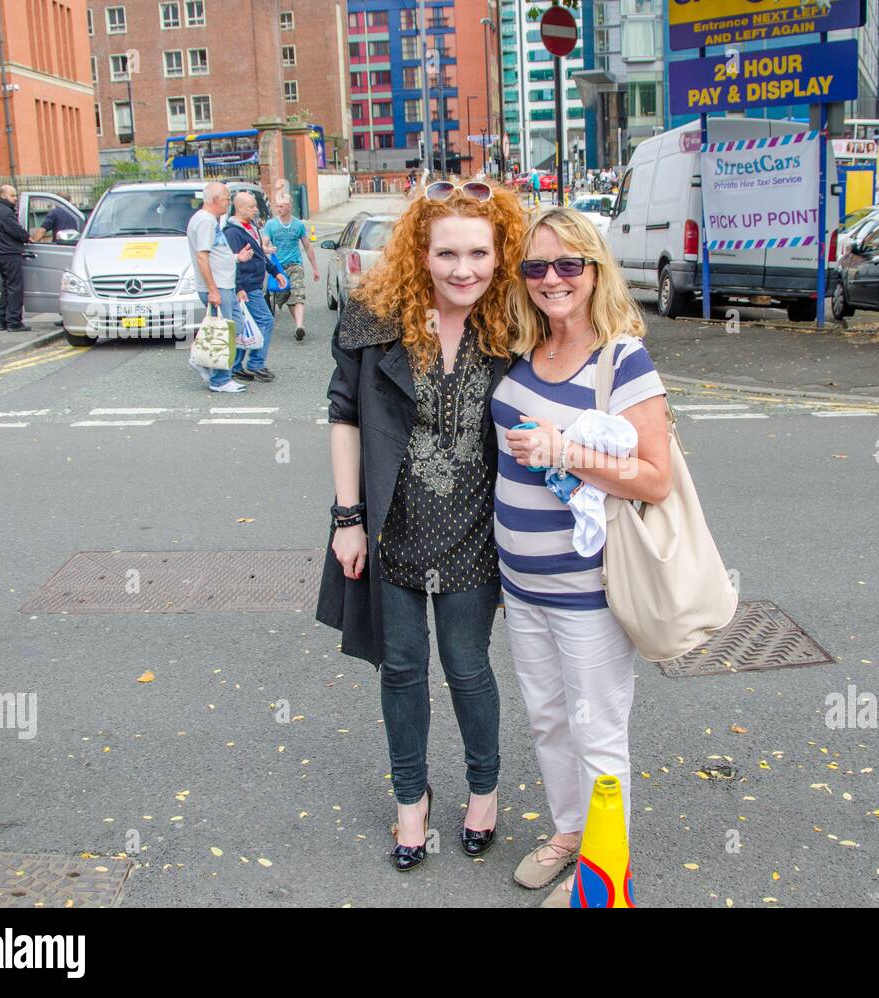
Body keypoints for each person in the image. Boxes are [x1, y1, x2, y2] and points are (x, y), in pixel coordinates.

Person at [316, 179, 528, 873]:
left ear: (500, 255)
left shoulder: (514, 321)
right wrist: (347, 518)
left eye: (477, 253)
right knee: (401, 667)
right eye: (446, 254)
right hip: (392, 526)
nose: (462, 269)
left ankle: (485, 790)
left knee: (468, 668)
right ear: (421, 253)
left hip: (475, 529)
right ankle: (412, 802)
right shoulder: (376, 316)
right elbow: (343, 415)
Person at [497, 207, 672, 907]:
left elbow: (655, 477)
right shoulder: (522, 347)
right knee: (546, 717)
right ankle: (571, 835)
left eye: (569, 264)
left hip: (587, 588)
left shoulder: (621, 357)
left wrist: (564, 450)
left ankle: (603, 882)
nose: (552, 279)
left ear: (595, 271)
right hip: (520, 582)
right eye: (537, 267)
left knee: (598, 728)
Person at [186, 181, 250, 393]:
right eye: (226, 199)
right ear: (215, 200)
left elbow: (215, 253)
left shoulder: (209, 220)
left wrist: (236, 258)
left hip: (224, 284)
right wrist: (213, 289)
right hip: (218, 286)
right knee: (225, 332)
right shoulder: (205, 221)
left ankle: (205, 363)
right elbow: (203, 256)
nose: (228, 203)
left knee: (234, 327)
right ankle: (220, 379)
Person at [224, 191, 286, 382]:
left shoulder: (250, 227)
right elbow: (232, 263)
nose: (256, 210)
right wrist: (239, 287)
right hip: (248, 286)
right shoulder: (233, 232)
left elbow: (258, 254)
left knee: (245, 326)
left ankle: (236, 365)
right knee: (265, 321)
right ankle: (256, 364)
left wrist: (275, 271)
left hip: (254, 284)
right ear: (240, 207)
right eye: (251, 206)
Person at [262, 195, 320, 342]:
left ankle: (300, 326)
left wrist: (315, 268)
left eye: (281, 206)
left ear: (289, 207)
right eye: (277, 206)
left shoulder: (298, 225)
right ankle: (298, 325)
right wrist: (268, 249)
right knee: (286, 297)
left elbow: (307, 246)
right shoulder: (271, 224)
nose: (278, 209)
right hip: (278, 268)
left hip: (295, 265)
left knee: (298, 294)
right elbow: (262, 245)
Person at [0, 185, 31, 332]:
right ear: (3, 195)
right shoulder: (5, 212)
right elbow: (17, 231)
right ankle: (14, 322)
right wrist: (27, 237)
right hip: (9, 253)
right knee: (15, 288)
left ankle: (2, 319)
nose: (15, 199)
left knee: (6, 287)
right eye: (13, 196)